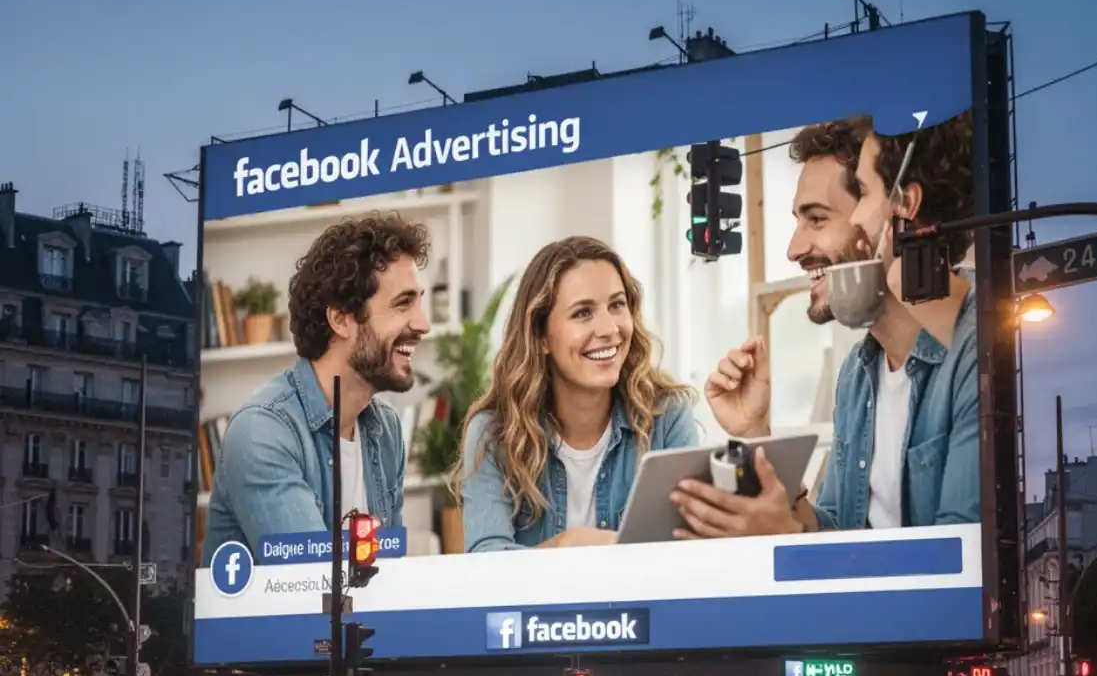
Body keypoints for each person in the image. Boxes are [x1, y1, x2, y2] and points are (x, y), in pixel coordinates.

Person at [673, 113, 979, 540]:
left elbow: (964, 555)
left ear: (902, 209)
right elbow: (837, 532)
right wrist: (756, 434)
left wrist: (788, 536)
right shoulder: (858, 372)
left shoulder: (979, 347)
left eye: (816, 219)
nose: (793, 249)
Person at [202, 213, 429, 562]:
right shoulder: (262, 431)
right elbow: (312, 583)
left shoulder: (385, 429)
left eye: (419, 302)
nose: (423, 324)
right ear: (339, 319)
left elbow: (387, 576)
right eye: (403, 303)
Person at [457, 235, 697, 552]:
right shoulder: (494, 433)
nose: (609, 329)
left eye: (617, 305)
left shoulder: (667, 416)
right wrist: (566, 545)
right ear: (541, 336)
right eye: (583, 313)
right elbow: (488, 560)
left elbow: (691, 549)